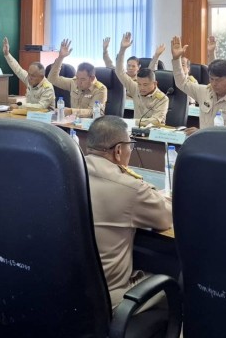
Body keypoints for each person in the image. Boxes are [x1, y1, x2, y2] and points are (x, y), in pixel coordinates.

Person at [85, 116, 172, 308]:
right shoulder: (130, 188)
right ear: (118, 150)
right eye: (130, 146)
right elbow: (166, 218)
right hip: (107, 299)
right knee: (171, 284)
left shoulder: (68, 172)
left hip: (67, 290)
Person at [171, 36, 226, 127]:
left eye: (218, 80)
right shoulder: (204, 91)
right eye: (211, 79)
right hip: (202, 136)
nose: (214, 84)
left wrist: (201, 132)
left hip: (218, 137)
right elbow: (182, 83)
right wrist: (176, 59)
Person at [114, 33, 168, 126]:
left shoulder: (162, 98)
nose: (141, 88)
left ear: (155, 84)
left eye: (145, 85)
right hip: (135, 130)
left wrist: (132, 122)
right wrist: (122, 49)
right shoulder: (135, 88)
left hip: (154, 132)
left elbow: (156, 121)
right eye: (139, 84)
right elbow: (120, 72)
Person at [47, 39, 108, 117]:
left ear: (92, 78)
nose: (78, 82)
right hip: (73, 121)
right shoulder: (74, 82)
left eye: (82, 79)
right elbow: (52, 79)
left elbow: (92, 112)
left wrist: (71, 111)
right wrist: (60, 58)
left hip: (91, 123)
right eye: (77, 77)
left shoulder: (100, 89)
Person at [2, 37, 55, 110]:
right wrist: (7, 54)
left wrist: (20, 106)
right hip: (29, 114)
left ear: (41, 76)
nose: (29, 78)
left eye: (33, 76)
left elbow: (41, 107)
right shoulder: (29, 79)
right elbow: (18, 69)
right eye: (29, 74)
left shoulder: (47, 88)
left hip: (44, 116)